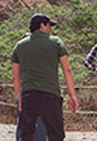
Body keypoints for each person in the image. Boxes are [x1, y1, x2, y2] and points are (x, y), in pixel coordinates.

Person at [12, 13, 78, 141]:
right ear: (42, 26)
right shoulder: (56, 42)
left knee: (26, 135)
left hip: (28, 96)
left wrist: (20, 99)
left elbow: (16, 77)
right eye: (49, 26)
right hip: (50, 95)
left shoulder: (19, 45)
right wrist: (72, 95)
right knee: (56, 134)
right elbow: (67, 70)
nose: (50, 29)